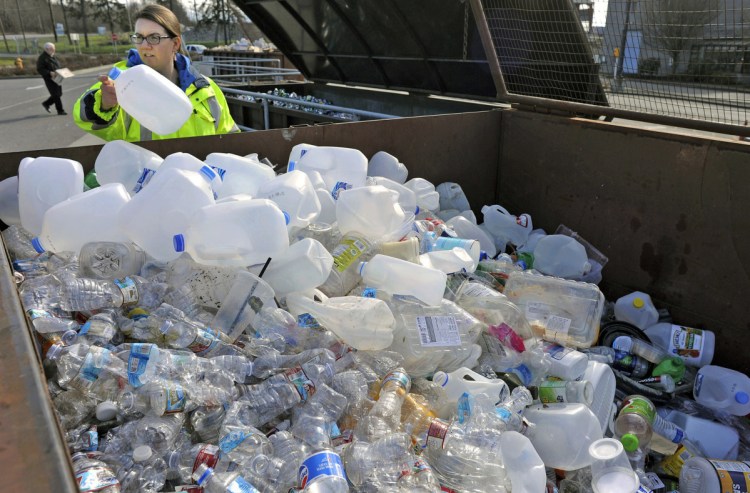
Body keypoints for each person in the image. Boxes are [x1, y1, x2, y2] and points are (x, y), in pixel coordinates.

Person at [74, 4, 239, 141]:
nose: (144, 45)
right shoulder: (121, 84)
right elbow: (83, 117)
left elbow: (230, 137)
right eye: (139, 37)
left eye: (154, 38)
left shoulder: (206, 89)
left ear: (175, 44)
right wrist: (104, 105)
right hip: (146, 179)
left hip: (200, 179)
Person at [37, 42, 67, 116]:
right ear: (46, 49)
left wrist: (62, 71)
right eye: (52, 49)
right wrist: (49, 72)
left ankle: (46, 103)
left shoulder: (52, 56)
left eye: (54, 48)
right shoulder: (42, 58)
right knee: (56, 95)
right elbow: (40, 69)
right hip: (49, 79)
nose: (54, 50)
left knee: (59, 94)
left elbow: (57, 65)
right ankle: (60, 110)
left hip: (57, 77)